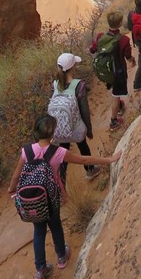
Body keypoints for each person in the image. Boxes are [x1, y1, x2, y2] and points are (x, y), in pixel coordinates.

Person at [7, 113, 121, 279]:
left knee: (38, 231)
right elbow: (84, 159)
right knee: (55, 225)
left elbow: (16, 176)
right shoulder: (58, 152)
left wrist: (11, 189)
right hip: (51, 198)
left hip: (33, 201)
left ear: (36, 131)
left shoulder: (27, 151)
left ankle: (40, 270)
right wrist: (109, 159)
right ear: (53, 133)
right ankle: (61, 256)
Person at [52, 53, 100, 183]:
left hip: (61, 128)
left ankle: (61, 182)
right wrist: (88, 129)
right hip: (76, 127)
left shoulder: (56, 84)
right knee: (83, 146)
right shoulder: (79, 85)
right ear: (73, 67)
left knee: (63, 153)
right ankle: (90, 170)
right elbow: (84, 110)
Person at [89, 9, 135, 131]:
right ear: (120, 24)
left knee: (114, 91)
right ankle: (114, 122)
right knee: (116, 95)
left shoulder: (100, 37)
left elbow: (92, 50)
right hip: (118, 72)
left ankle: (119, 105)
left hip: (105, 70)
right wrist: (132, 61)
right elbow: (128, 56)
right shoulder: (124, 40)